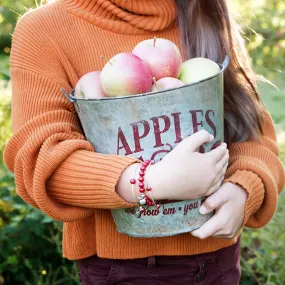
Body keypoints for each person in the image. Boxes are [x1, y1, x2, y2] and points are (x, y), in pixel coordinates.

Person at [4, 0, 284, 284]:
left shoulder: (203, 11)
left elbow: (252, 133)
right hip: (124, 268)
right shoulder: (46, 30)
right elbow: (41, 157)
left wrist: (244, 187)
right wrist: (151, 181)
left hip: (218, 258)